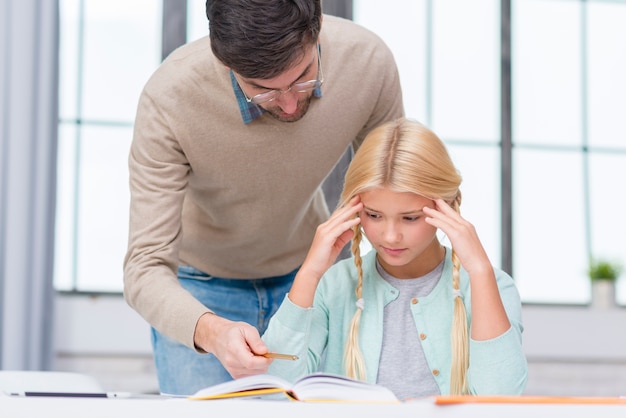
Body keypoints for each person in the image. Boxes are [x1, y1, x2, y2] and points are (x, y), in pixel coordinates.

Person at [123, 0, 404, 396]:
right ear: (224, 62)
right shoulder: (169, 99)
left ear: (318, 26)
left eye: (304, 77)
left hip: (311, 280)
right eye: (262, 91)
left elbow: (395, 193)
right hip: (199, 291)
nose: (289, 104)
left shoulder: (367, 63)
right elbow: (143, 270)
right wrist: (212, 331)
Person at [262, 118, 528, 400]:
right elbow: (274, 392)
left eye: (410, 218)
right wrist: (310, 273)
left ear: (446, 207)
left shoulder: (492, 285)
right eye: (374, 215)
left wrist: (480, 270)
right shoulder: (335, 285)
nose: (390, 236)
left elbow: (501, 399)